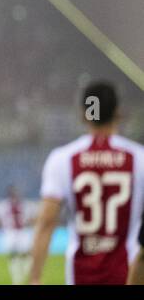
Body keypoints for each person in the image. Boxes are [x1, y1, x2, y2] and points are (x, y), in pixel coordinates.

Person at [28, 81, 144, 285]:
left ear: (83, 115)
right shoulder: (139, 158)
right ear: (118, 113)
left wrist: (35, 277)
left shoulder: (63, 159)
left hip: (80, 276)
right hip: (127, 274)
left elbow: (46, 221)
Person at [0, 185, 30, 285]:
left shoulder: (23, 205)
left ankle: (26, 273)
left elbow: (28, 217)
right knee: (12, 255)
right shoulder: (3, 206)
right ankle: (16, 277)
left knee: (26, 254)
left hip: (22, 232)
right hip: (10, 232)